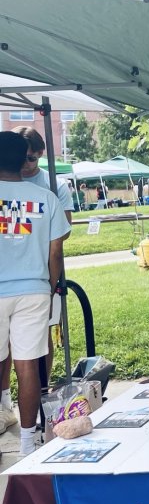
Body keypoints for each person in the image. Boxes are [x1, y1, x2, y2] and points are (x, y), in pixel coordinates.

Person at [0, 126, 74, 437]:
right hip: (35, 289)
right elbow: (55, 252)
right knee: (28, 365)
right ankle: (29, 443)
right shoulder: (46, 197)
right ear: (23, 160)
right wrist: (50, 284)